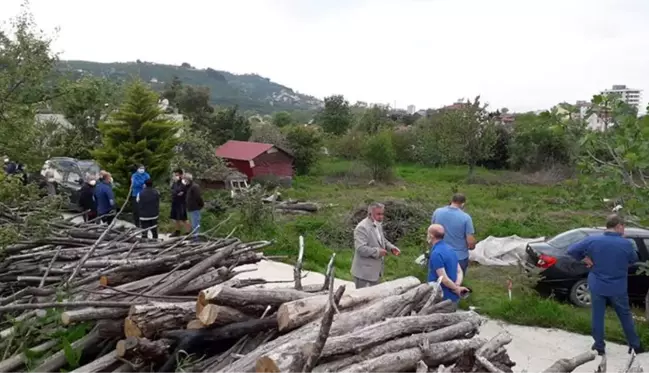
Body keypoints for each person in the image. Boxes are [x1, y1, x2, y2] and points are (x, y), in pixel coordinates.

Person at [567, 214, 644, 356]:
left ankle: (599, 346)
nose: (624, 229)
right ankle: (635, 345)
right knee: (625, 316)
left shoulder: (592, 240)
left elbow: (571, 250)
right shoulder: (626, 244)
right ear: (619, 226)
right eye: (623, 226)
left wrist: (585, 259)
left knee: (597, 315)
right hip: (618, 287)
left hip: (597, 285)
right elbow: (633, 259)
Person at [351, 202, 401, 289]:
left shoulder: (377, 224)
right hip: (364, 274)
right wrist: (378, 252)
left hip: (375, 273)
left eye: (382, 214)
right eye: (378, 214)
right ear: (370, 214)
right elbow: (361, 249)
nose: (381, 217)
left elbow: (382, 240)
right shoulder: (362, 228)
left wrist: (391, 248)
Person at [431, 193, 476, 274]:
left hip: (439, 253)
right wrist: (472, 247)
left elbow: (432, 230)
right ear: (463, 204)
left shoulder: (437, 212)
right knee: (457, 282)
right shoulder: (466, 218)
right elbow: (470, 241)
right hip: (459, 256)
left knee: (439, 280)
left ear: (451, 201)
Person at [427, 224, 469, 306]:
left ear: (431, 236)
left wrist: (456, 289)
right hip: (453, 297)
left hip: (441, 298)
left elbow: (444, 279)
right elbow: (459, 271)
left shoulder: (436, 253)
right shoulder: (450, 249)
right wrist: (457, 286)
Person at [170, 169, 190, 237]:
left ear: (181, 175)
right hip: (174, 202)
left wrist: (177, 192)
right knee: (175, 218)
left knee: (184, 218)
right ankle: (177, 231)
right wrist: (176, 193)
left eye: (177, 175)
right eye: (175, 175)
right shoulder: (175, 183)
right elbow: (173, 191)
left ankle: (188, 233)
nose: (176, 176)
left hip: (181, 203)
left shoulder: (184, 183)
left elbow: (181, 192)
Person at [184, 173, 204, 240]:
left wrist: (201, 205)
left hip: (195, 208)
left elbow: (198, 197)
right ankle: (194, 237)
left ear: (188, 179)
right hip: (191, 208)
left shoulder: (194, 187)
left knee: (196, 223)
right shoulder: (189, 187)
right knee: (193, 223)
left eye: (185, 180)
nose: (184, 181)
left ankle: (196, 239)